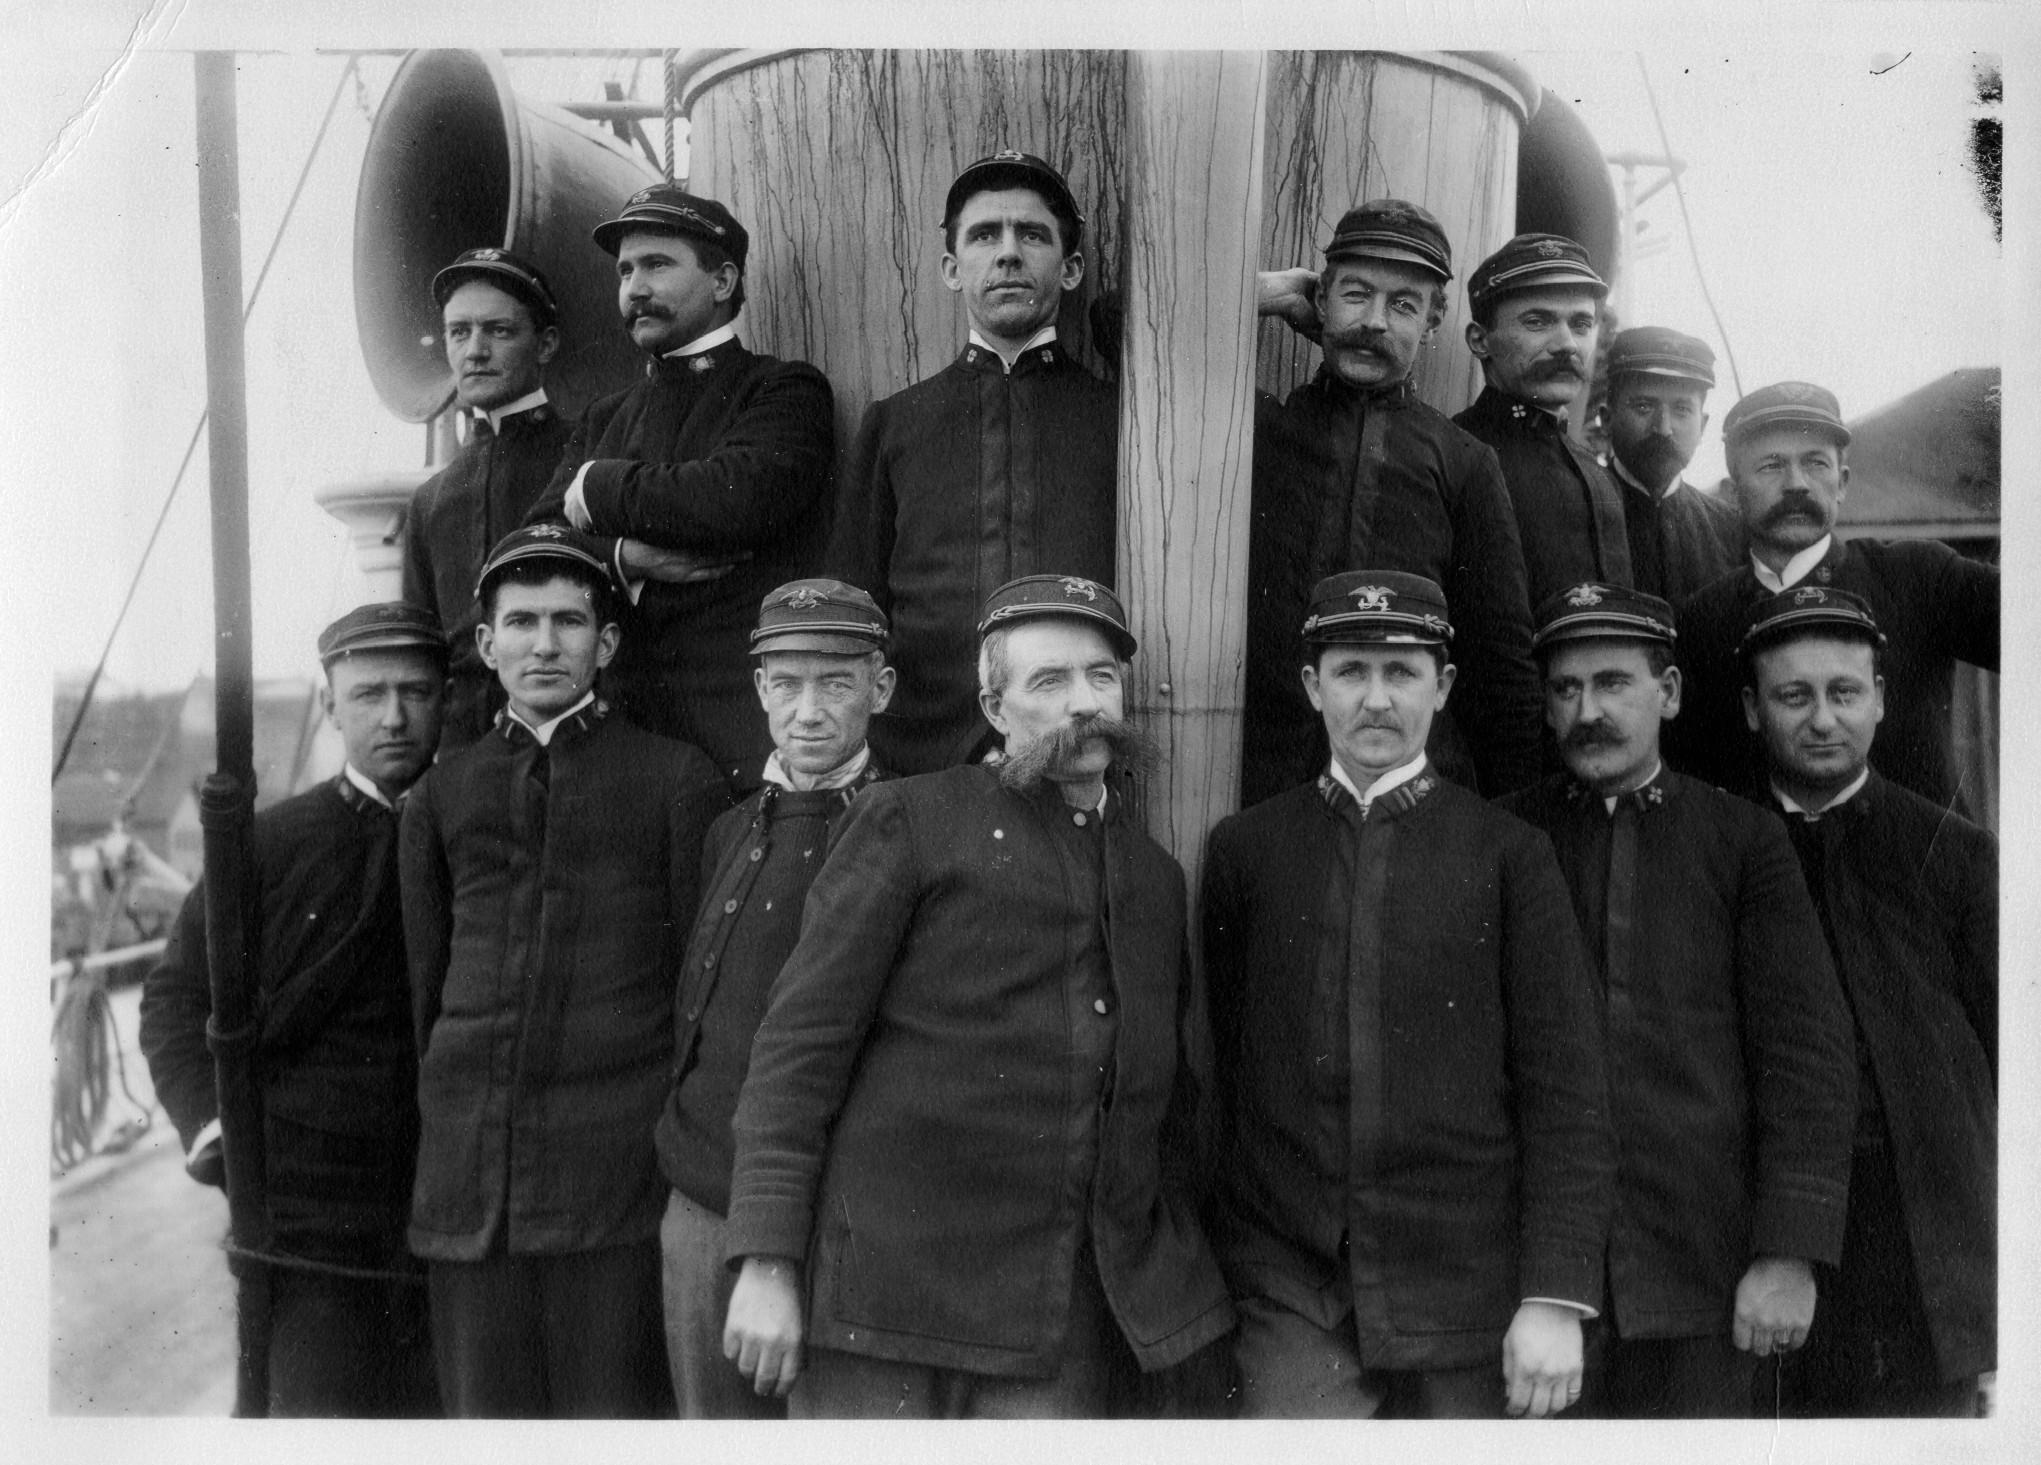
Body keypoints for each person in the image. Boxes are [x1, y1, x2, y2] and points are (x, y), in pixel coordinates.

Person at [720, 574, 1233, 1417]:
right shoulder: (908, 821)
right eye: (1048, 681)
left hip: (1050, 1326)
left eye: (1100, 677)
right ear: (994, 707)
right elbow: (795, 1053)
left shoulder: (1153, 877)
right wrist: (768, 1263)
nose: (1083, 704)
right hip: (878, 1315)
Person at [1201, 569, 1614, 1419]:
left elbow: (1565, 1088)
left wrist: (1554, 1294)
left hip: (1467, 1287)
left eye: (1403, 672)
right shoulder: (1248, 850)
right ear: (1313, 686)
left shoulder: (1508, 854)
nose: (1376, 699)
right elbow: (1223, 1067)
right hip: (1292, 1285)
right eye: (1351, 671)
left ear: (1444, 685)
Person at [1497, 582, 1855, 1417]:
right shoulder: (1505, 839)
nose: (1588, 710)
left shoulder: (1741, 842)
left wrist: (1788, 1252)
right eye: (1565, 689)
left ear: (1669, 693)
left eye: (1614, 682)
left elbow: (1806, 1052)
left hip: (1707, 1277)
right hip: (1540, 1287)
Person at [399, 525, 729, 1417]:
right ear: (486, 643)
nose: (544, 643)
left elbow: (695, 992)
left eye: (569, 621)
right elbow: (424, 987)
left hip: (611, 1192)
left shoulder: (673, 781)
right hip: (470, 1192)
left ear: (607, 643)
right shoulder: (441, 795)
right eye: (522, 621)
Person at [140, 602, 449, 1417]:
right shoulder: (267, 845)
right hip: (313, 1228)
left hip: (454, 1211)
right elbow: (176, 999)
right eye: (369, 693)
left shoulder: (479, 824)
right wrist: (212, 1129)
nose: (393, 715)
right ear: (330, 702)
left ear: (445, 698)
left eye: (416, 692)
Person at [1739, 588, 1995, 1417]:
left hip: (1924, 1252)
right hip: (1764, 1254)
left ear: (1880, 700)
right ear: (1750, 709)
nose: (1822, 719)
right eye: (1792, 695)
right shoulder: (1722, 851)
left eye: (1844, 692)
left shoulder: (1952, 853)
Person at [653, 578, 896, 1418]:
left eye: (835, 682)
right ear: (758, 688)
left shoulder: (907, 829)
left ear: (881, 687)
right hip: (697, 1211)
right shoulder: (730, 826)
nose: (809, 710)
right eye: (786, 683)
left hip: (826, 1228)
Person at [525, 183, 836, 794]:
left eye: (657, 265)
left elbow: (734, 497)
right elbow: (534, 545)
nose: (634, 287)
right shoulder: (604, 416)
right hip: (618, 737)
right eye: (625, 270)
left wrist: (597, 485)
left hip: (737, 738)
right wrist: (623, 558)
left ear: (722, 282)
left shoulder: (782, 389)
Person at [825, 151, 1120, 775]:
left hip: (1072, 749)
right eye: (985, 235)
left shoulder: (1120, 419)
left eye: (1032, 235)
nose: (1008, 253)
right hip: (922, 756)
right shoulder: (895, 422)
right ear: (953, 269)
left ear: (1070, 271)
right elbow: (857, 603)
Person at [1242, 198, 1540, 804]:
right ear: (1320, 302)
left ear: (1432, 325)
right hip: (1266, 784)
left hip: (1413, 794)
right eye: (1355, 294)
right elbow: (1127, 323)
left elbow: (1503, 665)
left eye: (1403, 304)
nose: (1375, 321)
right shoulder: (1258, 429)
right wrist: (1263, 292)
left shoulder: (1463, 461)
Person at [1669, 381, 1999, 813]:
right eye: (1770, 466)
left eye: (1815, 463)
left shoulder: (1920, 575)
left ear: (1842, 483)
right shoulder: (1702, 618)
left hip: (1913, 870)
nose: (1796, 485)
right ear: (1734, 492)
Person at [401, 248, 576, 751]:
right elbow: (425, 653)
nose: (474, 351)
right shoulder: (432, 499)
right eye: (459, 332)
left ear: (545, 344)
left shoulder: (584, 455)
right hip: (463, 750)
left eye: (498, 331)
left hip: (567, 733)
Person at [1452, 234, 1633, 607]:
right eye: (1538, 321)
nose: (1567, 343)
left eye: (1581, 324)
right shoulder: (1454, 456)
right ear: (1480, 339)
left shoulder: (1597, 475)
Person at [1601, 326, 1745, 603]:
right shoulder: (1574, 513)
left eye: (1681, 410)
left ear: (1702, 426)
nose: (1663, 428)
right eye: (1643, 406)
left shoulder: (1731, 530)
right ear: (1607, 419)